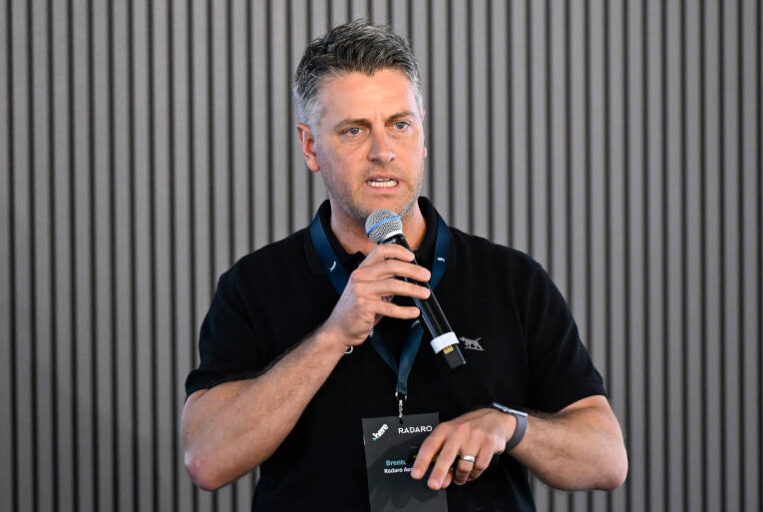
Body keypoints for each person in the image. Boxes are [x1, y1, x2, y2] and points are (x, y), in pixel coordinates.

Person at [181, 20, 627, 511]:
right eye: (354, 130)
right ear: (311, 146)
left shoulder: (514, 281)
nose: (382, 152)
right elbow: (207, 459)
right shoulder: (253, 286)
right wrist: (333, 335)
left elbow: (606, 459)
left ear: (423, 133)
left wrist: (510, 425)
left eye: (399, 124)